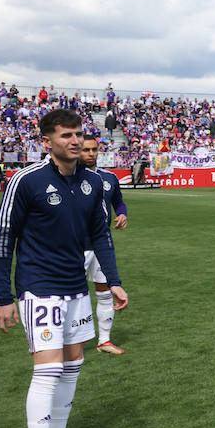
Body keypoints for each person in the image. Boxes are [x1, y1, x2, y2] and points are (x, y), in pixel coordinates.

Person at [0, 108, 129, 428]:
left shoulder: (92, 183)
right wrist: (4, 297)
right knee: (48, 370)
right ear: (47, 141)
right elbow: (4, 241)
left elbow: (100, 235)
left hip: (75, 286)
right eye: (66, 135)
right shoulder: (26, 181)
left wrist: (114, 282)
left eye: (78, 135)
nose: (74, 141)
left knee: (73, 363)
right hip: (40, 286)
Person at [80, 133, 130, 354]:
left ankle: (104, 341)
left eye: (94, 150)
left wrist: (122, 214)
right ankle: (66, 344)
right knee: (71, 295)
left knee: (104, 291)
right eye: (86, 150)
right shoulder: (69, 178)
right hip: (76, 247)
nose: (91, 154)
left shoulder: (109, 177)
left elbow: (118, 202)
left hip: (100, 244)